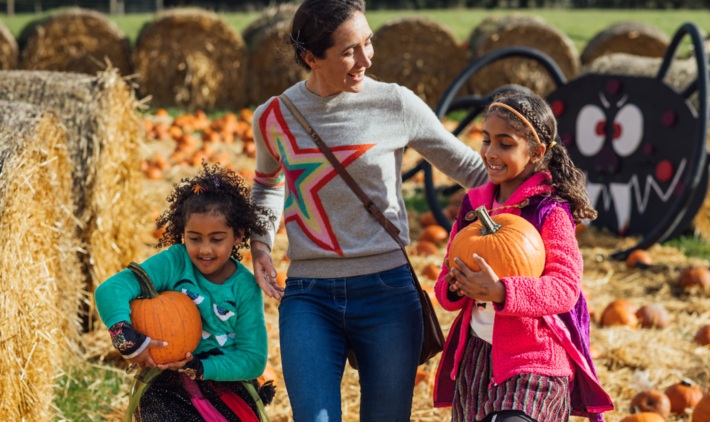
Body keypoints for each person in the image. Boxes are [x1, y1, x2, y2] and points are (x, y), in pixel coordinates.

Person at [248, 0, 487, 420]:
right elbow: (267, 184)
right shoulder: (273, 117)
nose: (366, 59)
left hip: (387, 293)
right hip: (308, 296)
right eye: (348, 51)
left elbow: (470, 168)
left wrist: (540, 190)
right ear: (310, 58)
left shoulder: (396, 103)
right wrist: (260, 245)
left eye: (368, 43)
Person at [433, 91, 613, 422]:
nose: (490, 152)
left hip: (535, 359)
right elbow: (446, 280)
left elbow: (564, 288)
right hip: (475, 358)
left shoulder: (549, 210)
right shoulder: (473, 207)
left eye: (505, 143)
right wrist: (457, 286)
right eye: (486, 140)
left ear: (536, 152)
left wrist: (502, 291)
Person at [95, 163, 276, 422]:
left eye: (216, 239)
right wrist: (125, 339)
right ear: (182, 234)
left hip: (224, 385)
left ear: (238, 236)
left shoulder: (244, 287)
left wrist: (202, 367)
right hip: (166, 385)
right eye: (194, 238)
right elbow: (110, 290)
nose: (204, 249)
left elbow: (253, 358)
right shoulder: (175, 262)